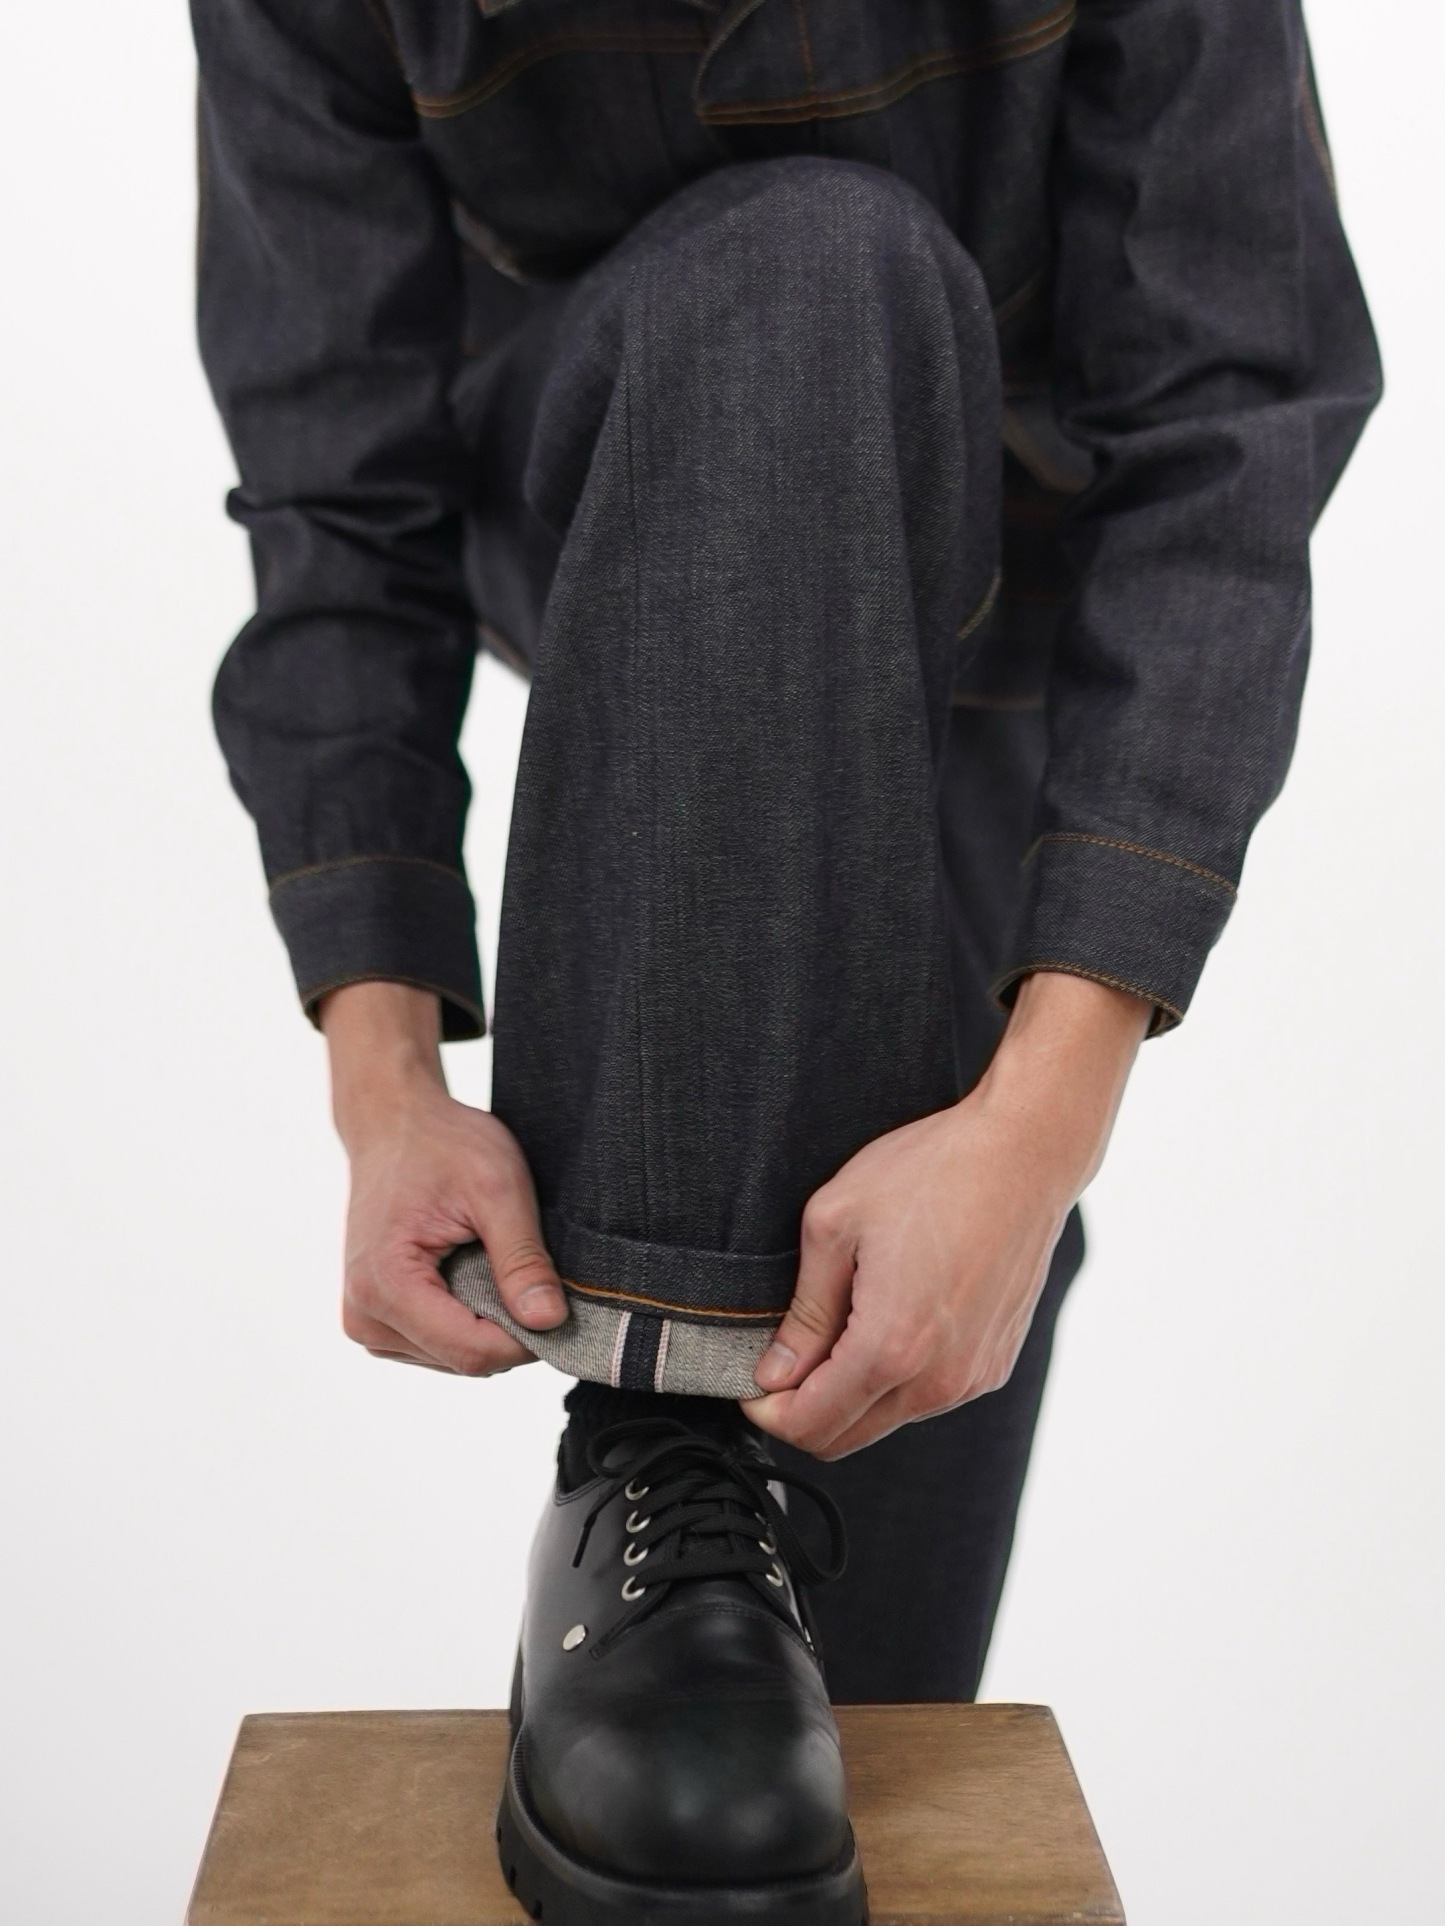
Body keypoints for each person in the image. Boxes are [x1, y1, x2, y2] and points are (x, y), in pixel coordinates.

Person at [191, 4, 1379, 1922]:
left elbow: (1228, 422)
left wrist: (1034, 1126)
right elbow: (339, 496)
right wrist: (382, 1077)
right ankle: (657, 1437)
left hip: (1026, 579)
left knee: (921, 1257)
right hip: (612, 495)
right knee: (809, 268)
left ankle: (751, 1674)